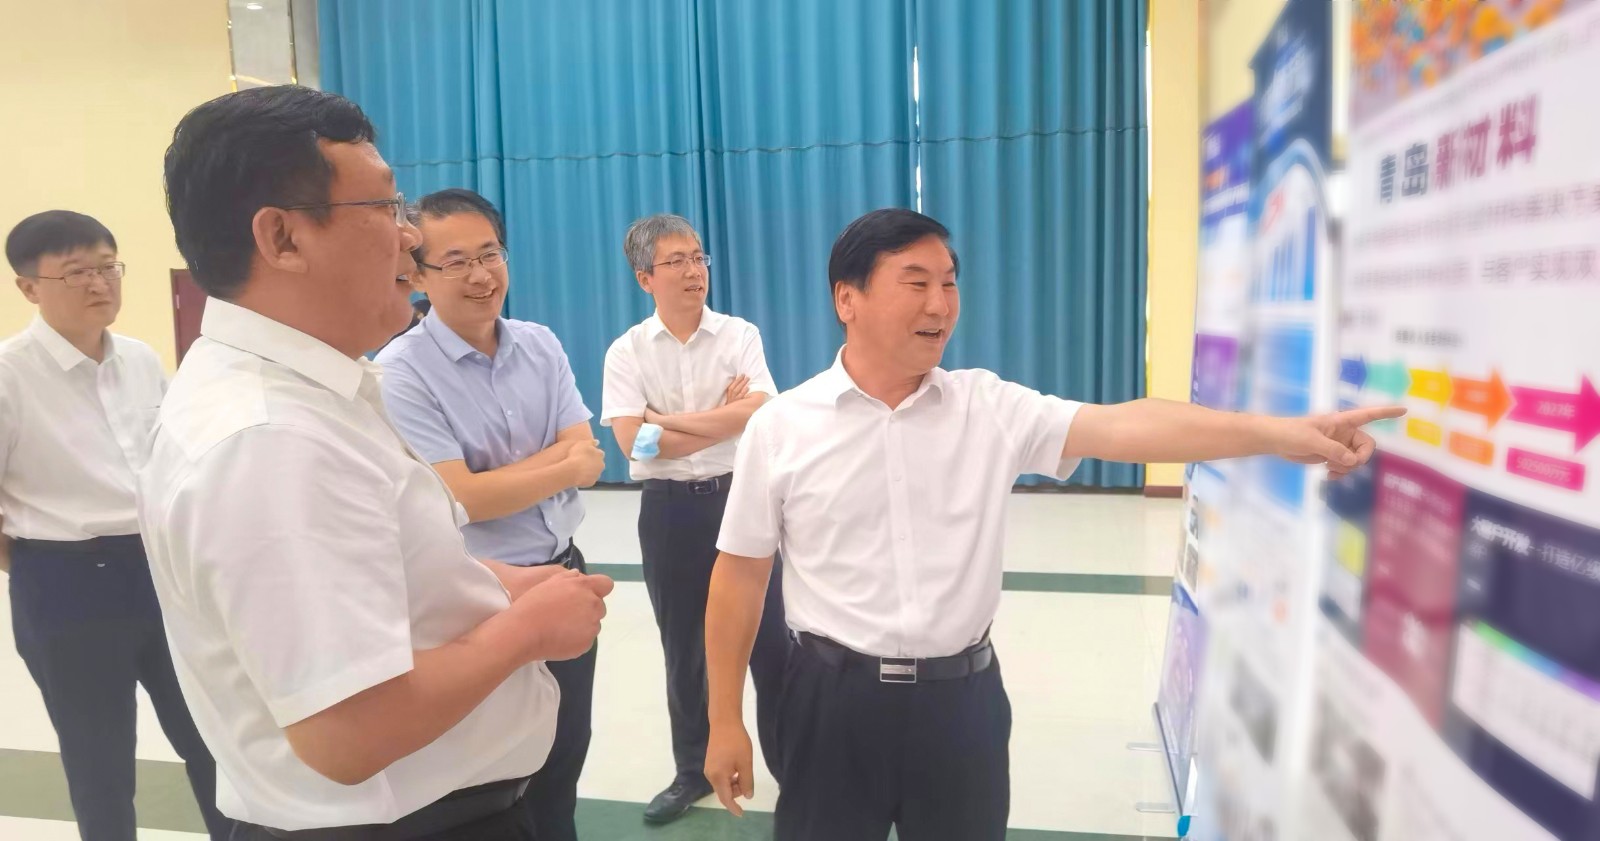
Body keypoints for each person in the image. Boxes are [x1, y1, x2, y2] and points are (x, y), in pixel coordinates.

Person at [702, 208, 1403, 841]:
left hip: (961, 705)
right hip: (830, 704)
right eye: (915, 283)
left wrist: (1280, 434)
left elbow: (1125, 424)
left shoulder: (988, 407)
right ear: (846, 299)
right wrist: (725, 718)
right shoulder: (782, 427)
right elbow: (740, 576)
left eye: (949, 284)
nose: (940, 304)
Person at [142, 85, 612, 840]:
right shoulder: (269, 439)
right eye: (387, 208)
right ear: (282, 238)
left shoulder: (319, 391)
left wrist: (492, 583)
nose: (409, 238)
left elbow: (375, 570)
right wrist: (525, 631)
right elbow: (347, 731)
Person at [376, 187, 605, 841]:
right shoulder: (400, 372)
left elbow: (588, 451)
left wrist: (528, 473)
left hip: (565, 576)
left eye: (490, 254)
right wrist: (561, 465)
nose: (480, 275)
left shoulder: (540, 344)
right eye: (455, 261)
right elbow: (463, 498)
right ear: (418, 274)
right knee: (489, 779)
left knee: (564, 756)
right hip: (476, 596)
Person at [1, 210, 234, 841]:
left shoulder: (138, 358)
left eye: (108, 267)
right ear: (29, 287)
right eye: (77, 272)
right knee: (99, 761)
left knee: (213, 737)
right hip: (65, 583)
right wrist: (39, 561)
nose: (99, 283)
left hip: (160, 569)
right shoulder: (9, 374)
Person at [601, 214, 790, 823]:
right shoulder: (626, 351)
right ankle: (691, 771)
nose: (693, 271)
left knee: (772, 642)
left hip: (742, 499)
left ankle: (794, 767)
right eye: (676, 261)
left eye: (698, 257)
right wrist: (721, 419)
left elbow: (761, 413)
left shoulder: (739, 335)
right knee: (684, 649)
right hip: (670, 512)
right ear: (645, 277)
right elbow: (633, 445)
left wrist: (665, 422)